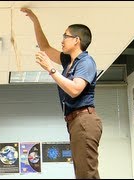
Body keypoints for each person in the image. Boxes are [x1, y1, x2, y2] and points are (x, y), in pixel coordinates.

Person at [21, 8, 103, 179]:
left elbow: (74, 89)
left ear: (76, 40)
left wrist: (50, 69)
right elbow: (45, 47)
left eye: (65, 36)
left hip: (84, 120)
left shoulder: (86, 62)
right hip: (75, 122)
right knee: (81, 173)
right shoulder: (68, 61)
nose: (62, 40)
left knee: (87, 174)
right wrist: (35, 21)